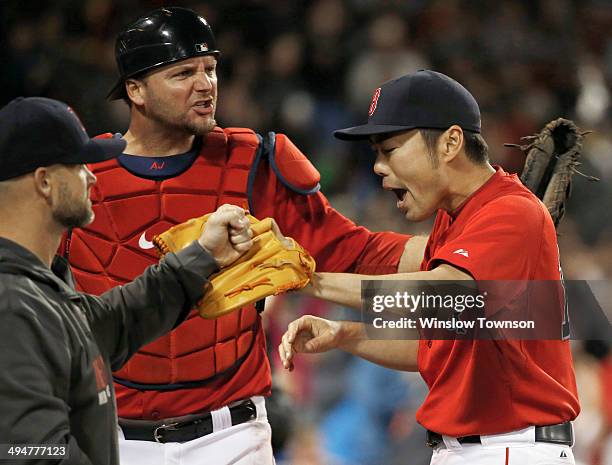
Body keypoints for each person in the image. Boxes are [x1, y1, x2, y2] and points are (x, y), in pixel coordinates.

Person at [63, 6, 424, 464]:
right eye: (182, 73)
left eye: (210, 69)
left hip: (230, 435)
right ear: (135, 89)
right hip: (112, 439)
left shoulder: (253, 162)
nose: (205, 84)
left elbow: (354, 252)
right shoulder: (81, 176)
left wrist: (461, 249)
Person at [279, 70, 581, 464]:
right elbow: (436, 345)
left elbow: (443, 296)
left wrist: (310, 280)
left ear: (451, 142)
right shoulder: (458, 222)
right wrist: (343, 333)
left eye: (389, 149)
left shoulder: (512, 211)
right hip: (472, 448)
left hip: (511, 447)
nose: (378, 167)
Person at [0, 96, 254, 465]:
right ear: (44, 182)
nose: (91, 175)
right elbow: (29, 453)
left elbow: (113, 322)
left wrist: (203, 255)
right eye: (78, 165)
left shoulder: (38, 286)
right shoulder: (11, 303)